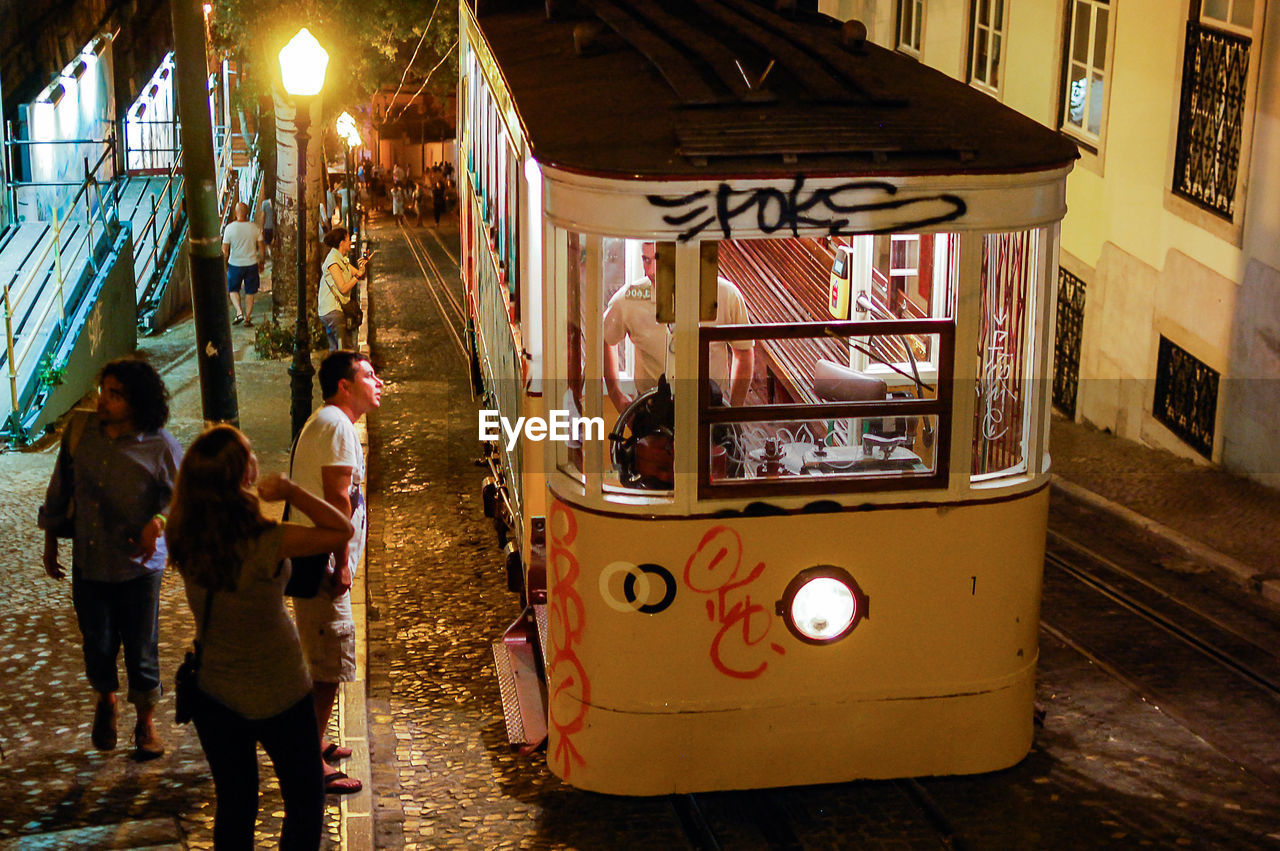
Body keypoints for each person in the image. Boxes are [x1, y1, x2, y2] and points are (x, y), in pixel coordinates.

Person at [168, 425, 353, 849]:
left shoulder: (185, 537)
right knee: (304, 798)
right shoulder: (267, 541)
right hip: (281, 689)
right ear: (243, 475)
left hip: (216, 693)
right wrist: (291, 491)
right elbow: (340, 529)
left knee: (235, 804)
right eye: (250, 453)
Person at [38, 358, 182, 760]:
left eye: (115, 394)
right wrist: (51, 544)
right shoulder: (81, 433)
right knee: (97, 644)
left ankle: (146, 724)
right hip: (91, 562)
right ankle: (106, 700)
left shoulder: (161, 446)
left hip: (139, 568)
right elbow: (59, 491)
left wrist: (158, 521)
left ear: (136, 401)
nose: (103, 400)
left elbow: (180, 498)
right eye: (103, 390)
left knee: (141, 647)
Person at [291, 351, 383, 795]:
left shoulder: (329, 422)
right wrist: (344, 564)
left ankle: (316, 738)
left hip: (319, 560)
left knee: (324, 657)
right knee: (327, 667)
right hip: (325, 567)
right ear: (345, 386)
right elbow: (337, 500)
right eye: (368, 375)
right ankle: (308, 759)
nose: (377, 381)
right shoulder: (337, 426)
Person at [602, 242, 754, 413]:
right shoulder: (628, 299)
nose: (651, 271)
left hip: (709, 406)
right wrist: (616, 395)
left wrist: (734, 412)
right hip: (652, 408)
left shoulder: (727, 294)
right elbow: (606, 339)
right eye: (646, 259)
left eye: (660, 260)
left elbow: (743, 352)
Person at [318, 227, 370, 352]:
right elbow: (343, 287)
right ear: (341, 243)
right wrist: (357, 275)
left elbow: (359, 275)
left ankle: (335, 370)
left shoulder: (342, 259)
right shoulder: (333, 262)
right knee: (345, 349)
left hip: (337, 310)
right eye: (348, 240)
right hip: (332, 310)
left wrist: (362, 266)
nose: (350, 243)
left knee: (337, 349)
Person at [222, 202, 265, 327]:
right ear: (247, 212)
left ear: (236, 213)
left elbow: (224, 251)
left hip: (234, 264)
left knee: (233, 290)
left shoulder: (229, 228)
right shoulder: (255, 228)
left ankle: (239, 312)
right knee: (250, 292)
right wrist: (261, 262)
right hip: (251, 264)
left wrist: (224, 265)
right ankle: (247, 318)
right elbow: (261, 248)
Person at [260, 197, 275, 261]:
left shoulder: (265, 203)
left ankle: (271, 256)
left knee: (268, 244)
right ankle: (273, 256)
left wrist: (262, 227)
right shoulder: (277, 202)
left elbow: (263, 216)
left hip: (267, 227)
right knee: (274, 243)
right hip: (276, 227)